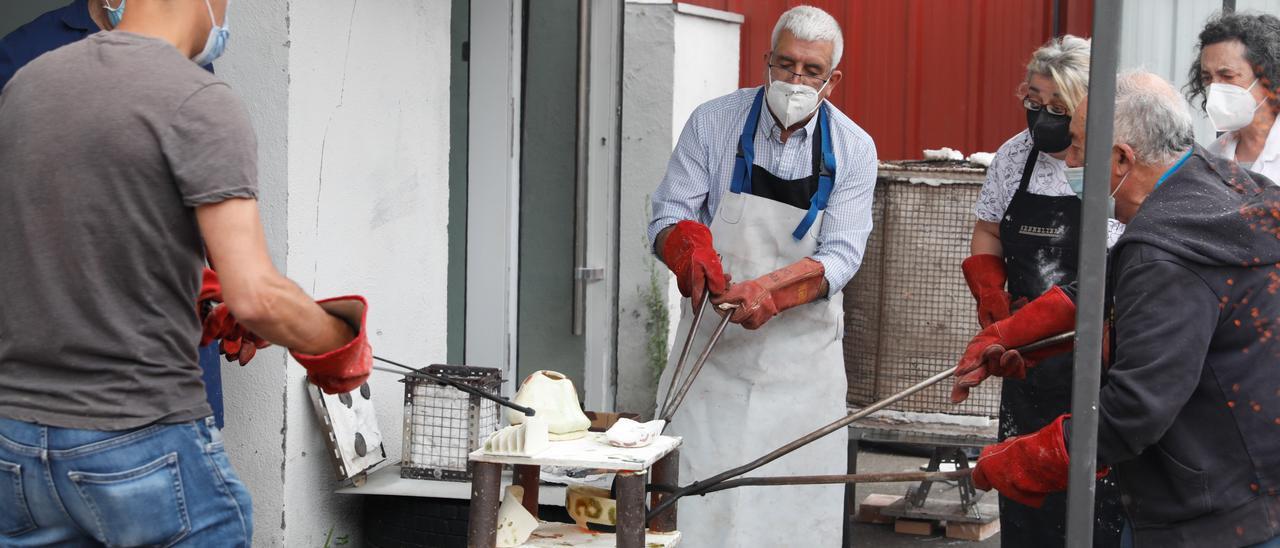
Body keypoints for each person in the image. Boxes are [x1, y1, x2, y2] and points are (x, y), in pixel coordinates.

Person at [0, 1, 372, 545]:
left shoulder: (27, 84)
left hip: (16, 448)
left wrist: (178, 290)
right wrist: (338, 343)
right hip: (138, 439)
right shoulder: (196, 97)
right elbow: (259, 298)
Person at [962, 71, 1280, 547]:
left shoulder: (1165, 252)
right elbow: (1128, 296)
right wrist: (1025, 333)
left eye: (1076, 147)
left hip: (1211, 519)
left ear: (1121, 158)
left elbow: (1137, 407)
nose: (1068, 159)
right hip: (1251, 484)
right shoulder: (1216, 184)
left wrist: (1029, 458)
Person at [647, 6, 876, 546]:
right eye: (786, 64)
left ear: (832, 79)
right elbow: (668, 213)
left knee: (789, 515)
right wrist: (689, 251)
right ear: (766, 60)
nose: (796, 80)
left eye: (812, 71)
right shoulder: (713, 121)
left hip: (802, 370)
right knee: (691, 511)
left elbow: (843, 255)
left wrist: (772, 292)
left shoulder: (854, 148)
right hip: (711, 359)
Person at [0, 0, 241, 429]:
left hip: (168, 363)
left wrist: (231, 296)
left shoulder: (188, 70)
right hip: (53, 370)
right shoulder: (23, 56)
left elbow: (206, 195)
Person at [959, 34, 1123, 546]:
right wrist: (993, 299)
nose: (1043, 116)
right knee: (1025, 502)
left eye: (1058, 106)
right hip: (1024, 363)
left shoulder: (1116, 164)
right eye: (1034, 100)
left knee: (1095, 509)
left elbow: (1111, 275)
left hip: (1101, 368)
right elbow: (989, 228)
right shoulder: (1016, 156)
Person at [1187, 11, 1280, 183]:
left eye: (1228, 76)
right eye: (1207, 78)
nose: (1214, 88)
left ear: (1269, 77)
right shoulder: (1212, 156)